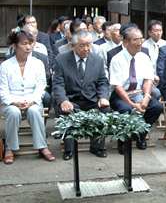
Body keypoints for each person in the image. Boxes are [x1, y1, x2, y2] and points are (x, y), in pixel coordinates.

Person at [53, 30, 111, 160]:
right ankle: (69, 149)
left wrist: (103, 97)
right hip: (72, 99)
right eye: (82, 45)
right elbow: (58, 84)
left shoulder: (98, 60)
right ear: (73, 46)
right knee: (65, 111)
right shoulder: (61, 60)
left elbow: (103, 82)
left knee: (105, 109)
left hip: (91, 99)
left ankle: (97, 146)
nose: (86, 49)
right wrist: (63, 100)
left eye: (89, 45)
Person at [0, 31, 56, 164]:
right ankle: (10, 148)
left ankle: (42, 146)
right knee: (13, 112)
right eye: (24, 44)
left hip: (32, 99)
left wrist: (31, 101)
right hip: (11, 101)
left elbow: (41, 86)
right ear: (14, 46)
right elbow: (2, 90)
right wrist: (15, 102)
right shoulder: (5, 66)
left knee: (34, 111)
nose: (28, 47)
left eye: (31, 44)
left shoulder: (37, 63)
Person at [109, 27, 163, 155]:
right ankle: (122, 139)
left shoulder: (144, 57)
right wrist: (132, 104)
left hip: (138, 92)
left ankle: (140, 134)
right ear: (126, 42)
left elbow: (148, 81)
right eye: (136, 40)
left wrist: (146, 97)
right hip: (121, 95)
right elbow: (118, 87)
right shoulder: (117, 59)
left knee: (157, 107)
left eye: (141, 39)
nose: (140, 42)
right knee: (126, 109)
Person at [143, 20, 166, 86]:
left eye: (160, 30)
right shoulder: (144, 46)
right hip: (148, 79)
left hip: (164, 79)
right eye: (156, 31)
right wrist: (152, 76)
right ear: (149, 32)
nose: (159, 33)